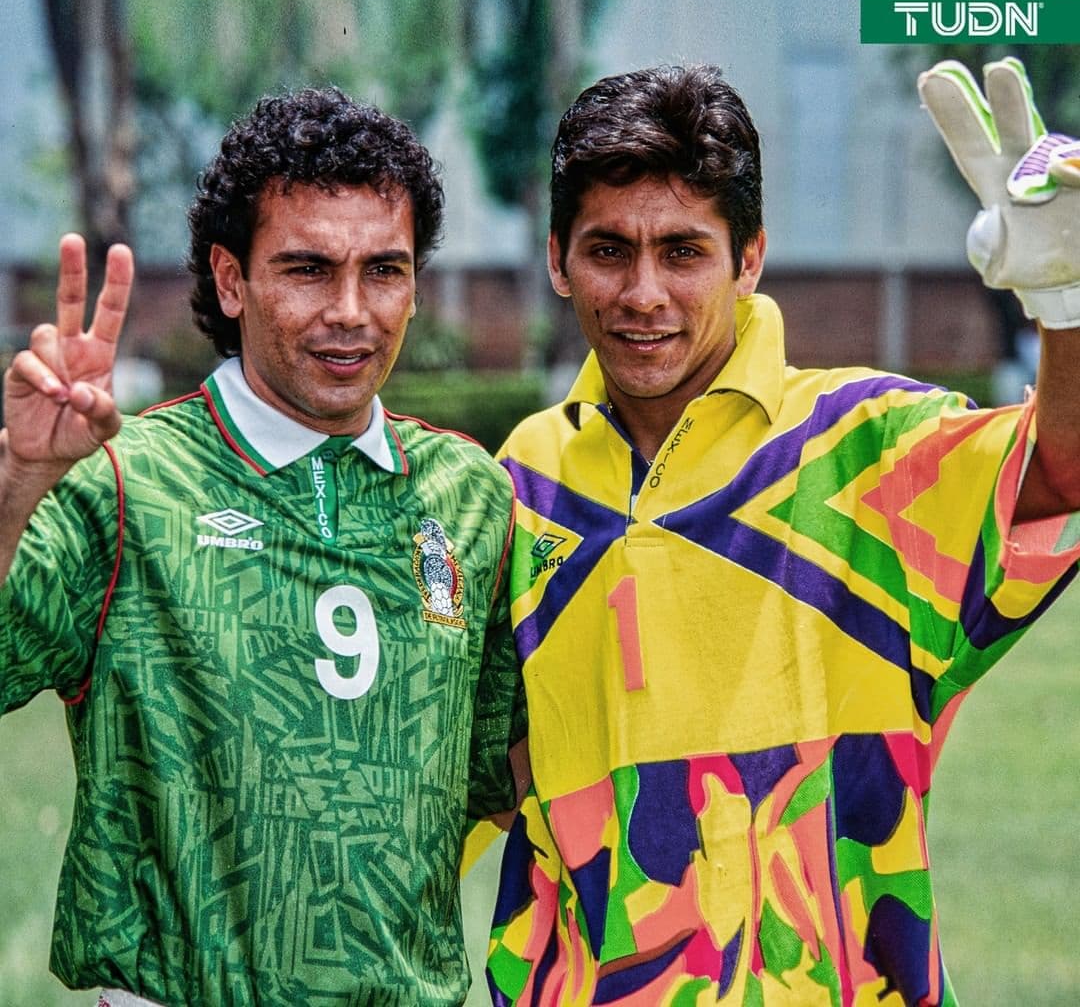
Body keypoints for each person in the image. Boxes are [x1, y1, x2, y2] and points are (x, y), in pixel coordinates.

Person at [485, 60, 1080, 1004]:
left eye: (683, 251)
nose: (645, 293)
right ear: (558, 259)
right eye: (609, 251)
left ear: (749, 257)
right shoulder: (519, 484)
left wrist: (1068, 308)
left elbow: (1060, 470)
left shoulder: (864, 443)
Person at [0, 88, 524, 1006]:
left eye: (386, 271)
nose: (352, 311)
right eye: (309, 270)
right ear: (232, 279)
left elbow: (503, 773)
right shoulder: (128, 481)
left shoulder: (469, 494)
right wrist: (19, 480)